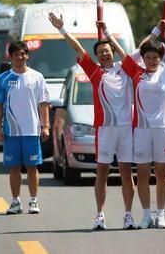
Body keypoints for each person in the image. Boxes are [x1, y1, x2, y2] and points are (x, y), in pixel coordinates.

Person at [48, 12, 137, 230]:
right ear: (97, 56)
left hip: (125, 128)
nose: (105, 54)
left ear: (113, 52)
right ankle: (100, 215)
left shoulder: (125, 69)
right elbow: (78, 48)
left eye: (107, 51)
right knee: (102, 172)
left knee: (126, 172)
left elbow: (126, 54)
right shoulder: (95, 72)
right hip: (105, 130)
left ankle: (128, 215)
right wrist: (62, 29)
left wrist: (107, 32)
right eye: (100, 53)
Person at [116, 8, 165, 229]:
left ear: (161, 59)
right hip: (141, 130)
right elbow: (129, 52)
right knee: (142, 174)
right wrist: (154, 31)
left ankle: (161, 214)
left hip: (162, 129)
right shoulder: (136, 73)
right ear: (143, 59)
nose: (151, 60)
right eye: (148, 57)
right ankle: (145, 215)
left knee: (162, 173)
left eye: (155, 57)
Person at [0, 41, 50, 215]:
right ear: (11, 57)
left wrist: (45, 126)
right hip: (11, 131)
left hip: (32, 130)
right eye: (16, 54)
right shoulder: (3, 79)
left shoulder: (37, 77)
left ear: (27, 55)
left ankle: (33, 200)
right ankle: (16, 201)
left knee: (32, 167)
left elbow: (44, 104)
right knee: (14, 166)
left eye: (23, 53)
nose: (20, 57)